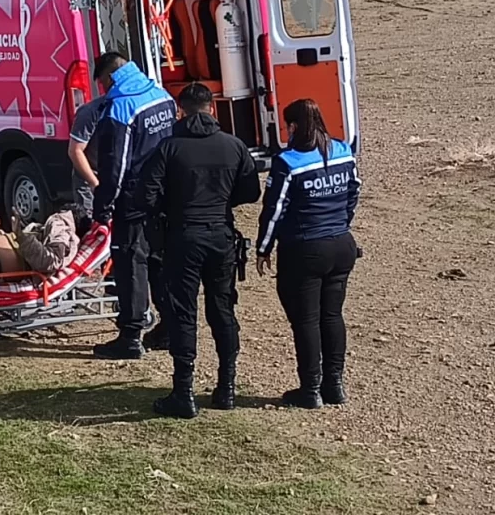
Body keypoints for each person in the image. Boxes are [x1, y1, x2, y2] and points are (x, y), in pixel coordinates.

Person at [138, 83, 261, 418]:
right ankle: (227, 389)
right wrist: (221, 201)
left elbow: (145, 195)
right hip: (221, 236)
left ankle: (183, 393)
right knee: (222, 308)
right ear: (212, 108)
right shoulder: (233, 146)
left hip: (183, 237)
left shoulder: (168, 148)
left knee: (183, 312)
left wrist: (171, 207)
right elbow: (251, 191)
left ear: (181, 110)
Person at [256, 98, 361, 409]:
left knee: (305, 321)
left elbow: (274, 210)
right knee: (332, 315)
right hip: (341, 244)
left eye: (287, 126)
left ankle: (310, 388)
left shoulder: (289, 161)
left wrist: (264, 247)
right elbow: (353, 192)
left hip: (304, 248)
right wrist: (341, 223)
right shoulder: (343, 151)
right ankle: (335, 385)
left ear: (295, 126)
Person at [92, 52, 176, 360]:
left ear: (110, 78)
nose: (102, 89)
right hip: (164, 196)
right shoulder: (161, 95)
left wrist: (102, 208)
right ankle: (168, 326)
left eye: (101, 83)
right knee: (159, 262)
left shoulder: (121, 107)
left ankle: (130, 335)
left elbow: (115, 165)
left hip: (134, 199)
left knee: (130, 265)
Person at [68, 93, 106, 219]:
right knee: (90, 226)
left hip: (112, 178)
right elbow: (75, 151)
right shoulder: (90, 112)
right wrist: (95, 184)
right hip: (90, 179)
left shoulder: (125, 108)